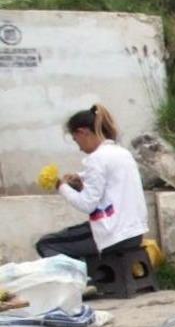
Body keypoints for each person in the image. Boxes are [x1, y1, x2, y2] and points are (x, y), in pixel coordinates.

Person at [36, 104, 148, 259]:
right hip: (134, 233)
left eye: (76, 140)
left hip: (113, 235)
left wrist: (60, 186)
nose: (79, 148)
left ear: (83, 132)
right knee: (73, 236)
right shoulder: (122, 153)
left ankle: (77, 282)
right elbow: (108, 190)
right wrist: (80, 182)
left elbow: (87, 205)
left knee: (47, 243)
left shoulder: (96, 159)